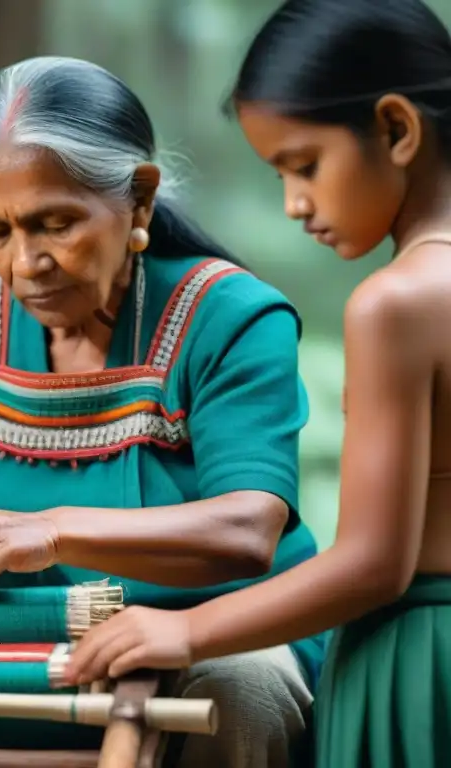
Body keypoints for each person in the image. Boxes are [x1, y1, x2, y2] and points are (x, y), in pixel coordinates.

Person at [0, 55, 325, 767]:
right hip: (5, 640)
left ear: (139, 201)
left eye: (56, 224)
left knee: (242, 690)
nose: (25, 264)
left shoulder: (231, 317)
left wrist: (48, 532)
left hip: (204, 632)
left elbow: (245, 529)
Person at [65, 1, 451, 766]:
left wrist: (185, 629)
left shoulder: (397, 304)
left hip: (421, 661)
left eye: (304, 164)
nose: (295, 204)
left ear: (397, 130)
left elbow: (377, 562)